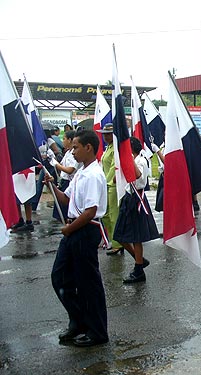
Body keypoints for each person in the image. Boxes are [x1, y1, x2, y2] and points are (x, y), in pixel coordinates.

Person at [47, 129, 109, 347]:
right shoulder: (81, 173)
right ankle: (78, 321)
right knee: (60, 277)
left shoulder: (94, 175)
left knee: (88, 283)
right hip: (74, 228)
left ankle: (97, 331)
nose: (72, 152)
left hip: (84, 230)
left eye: (75, 147)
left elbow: (90, 211)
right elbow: (66, 199)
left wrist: (70, 229)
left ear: (88, 147)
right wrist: (52, 186)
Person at [113, 137, 159, 283]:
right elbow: (117, 179)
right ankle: (139, 260)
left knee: (136, 237)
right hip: (128, 197)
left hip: (136, 199)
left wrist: (128, 159)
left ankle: (138, 269)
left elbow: (138, 176)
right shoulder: (132, 160)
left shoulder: (140, 161)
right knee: (119, 235)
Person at [97, 124, 122, 254]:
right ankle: (112, 239)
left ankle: (118, 243)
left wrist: (108, 181)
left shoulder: (115, 148)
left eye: (108, 134)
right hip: (105, 184)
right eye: (105, 134)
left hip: (112, 185)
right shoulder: (108, 148)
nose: (106, 136)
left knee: (113, 215)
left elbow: (114, 167)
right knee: (105, 214)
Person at [49, 130, 82, 222]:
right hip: (63, 181)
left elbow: (70, 170)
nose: (62, 141)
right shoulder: (67, 153)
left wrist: (56, 165)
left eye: (64, 139)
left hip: (69, 182)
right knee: (59, 209)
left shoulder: (74, 154)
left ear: (70, 140)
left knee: (66, 209)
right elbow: (61, 165)